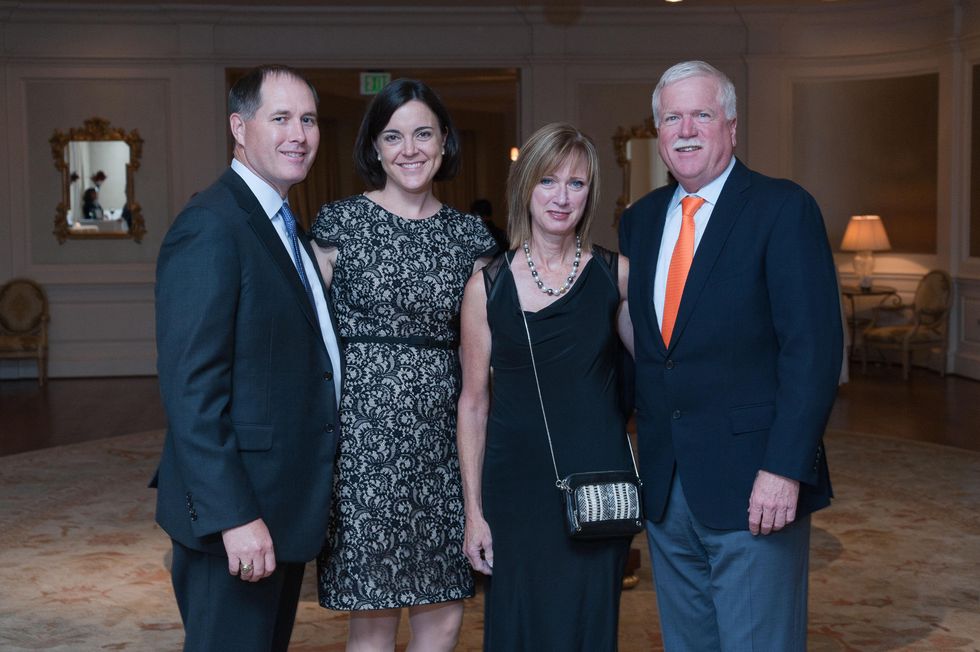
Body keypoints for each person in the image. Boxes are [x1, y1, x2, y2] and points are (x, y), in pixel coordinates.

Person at [617, 60, 842, 650]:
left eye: (701, 114)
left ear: (732, 127)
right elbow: (645, 355)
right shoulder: (639, 222)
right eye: (672, 117)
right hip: (667, 487)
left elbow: (812, 350)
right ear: (658, 132)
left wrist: (785, 467)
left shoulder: (781, 208)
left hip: (756, 484)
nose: (685, 128)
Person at [152, 64, 343, 652]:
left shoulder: (278, 221)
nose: (299, 134)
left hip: (277, 504)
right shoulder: (211, 225)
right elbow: (192, 391)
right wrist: (234, 516)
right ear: (240, 127)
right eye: (280, 118)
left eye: (308, 119)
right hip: (236, 517)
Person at [310, 78, 497, 652]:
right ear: (374, 148)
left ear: (444, 144)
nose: (410, 149)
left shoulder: (470, 238)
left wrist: (476, 501)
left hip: (441, 450)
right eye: (394, 136)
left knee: (442, 616)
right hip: (359, 455)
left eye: (423, 133)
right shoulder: (337, 226)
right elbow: (304, 349)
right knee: (370, 620)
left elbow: (478, 376)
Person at [457, 122, 634, 650]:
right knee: (519, 627)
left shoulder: (617, 275)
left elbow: (664, 359)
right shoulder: (486, 284)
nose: (561, 197)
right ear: (525, 187)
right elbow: (472, 403)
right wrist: (474, 513)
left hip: (598, 489)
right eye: (548, 182)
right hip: (515, 491)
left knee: (588, 628)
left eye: (576, 184)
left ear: (590, 194)